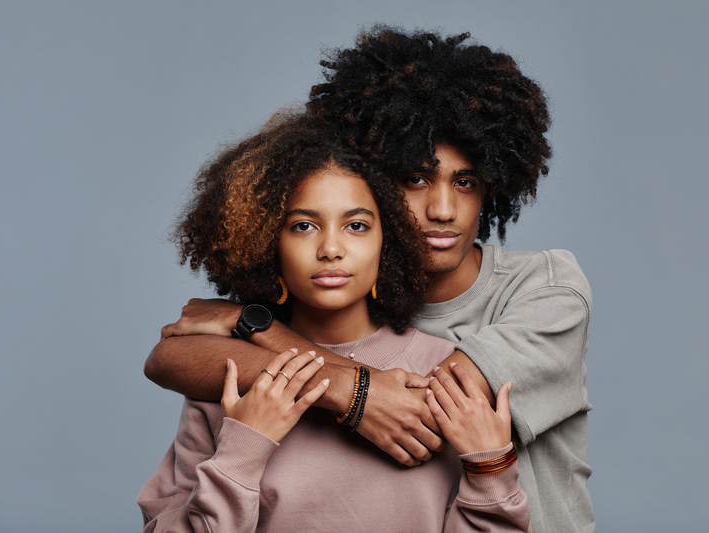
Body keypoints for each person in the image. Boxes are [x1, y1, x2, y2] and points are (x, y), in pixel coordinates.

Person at [147, 27, 594, 532]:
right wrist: (344, 388)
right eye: (415, 178)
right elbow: (168, 359)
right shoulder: (339, 299)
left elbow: (423, 403)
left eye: (465, 182)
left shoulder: (547, 288)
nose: (442, 210)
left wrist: (251, 324)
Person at [138, 114, 531, 532]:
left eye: (356, 226)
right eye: (303, 226)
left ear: (390, 239)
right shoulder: (225, 378)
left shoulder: (443, 374)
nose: (330, 248)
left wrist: (492, 473)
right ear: (266, 240)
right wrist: (243, 447)